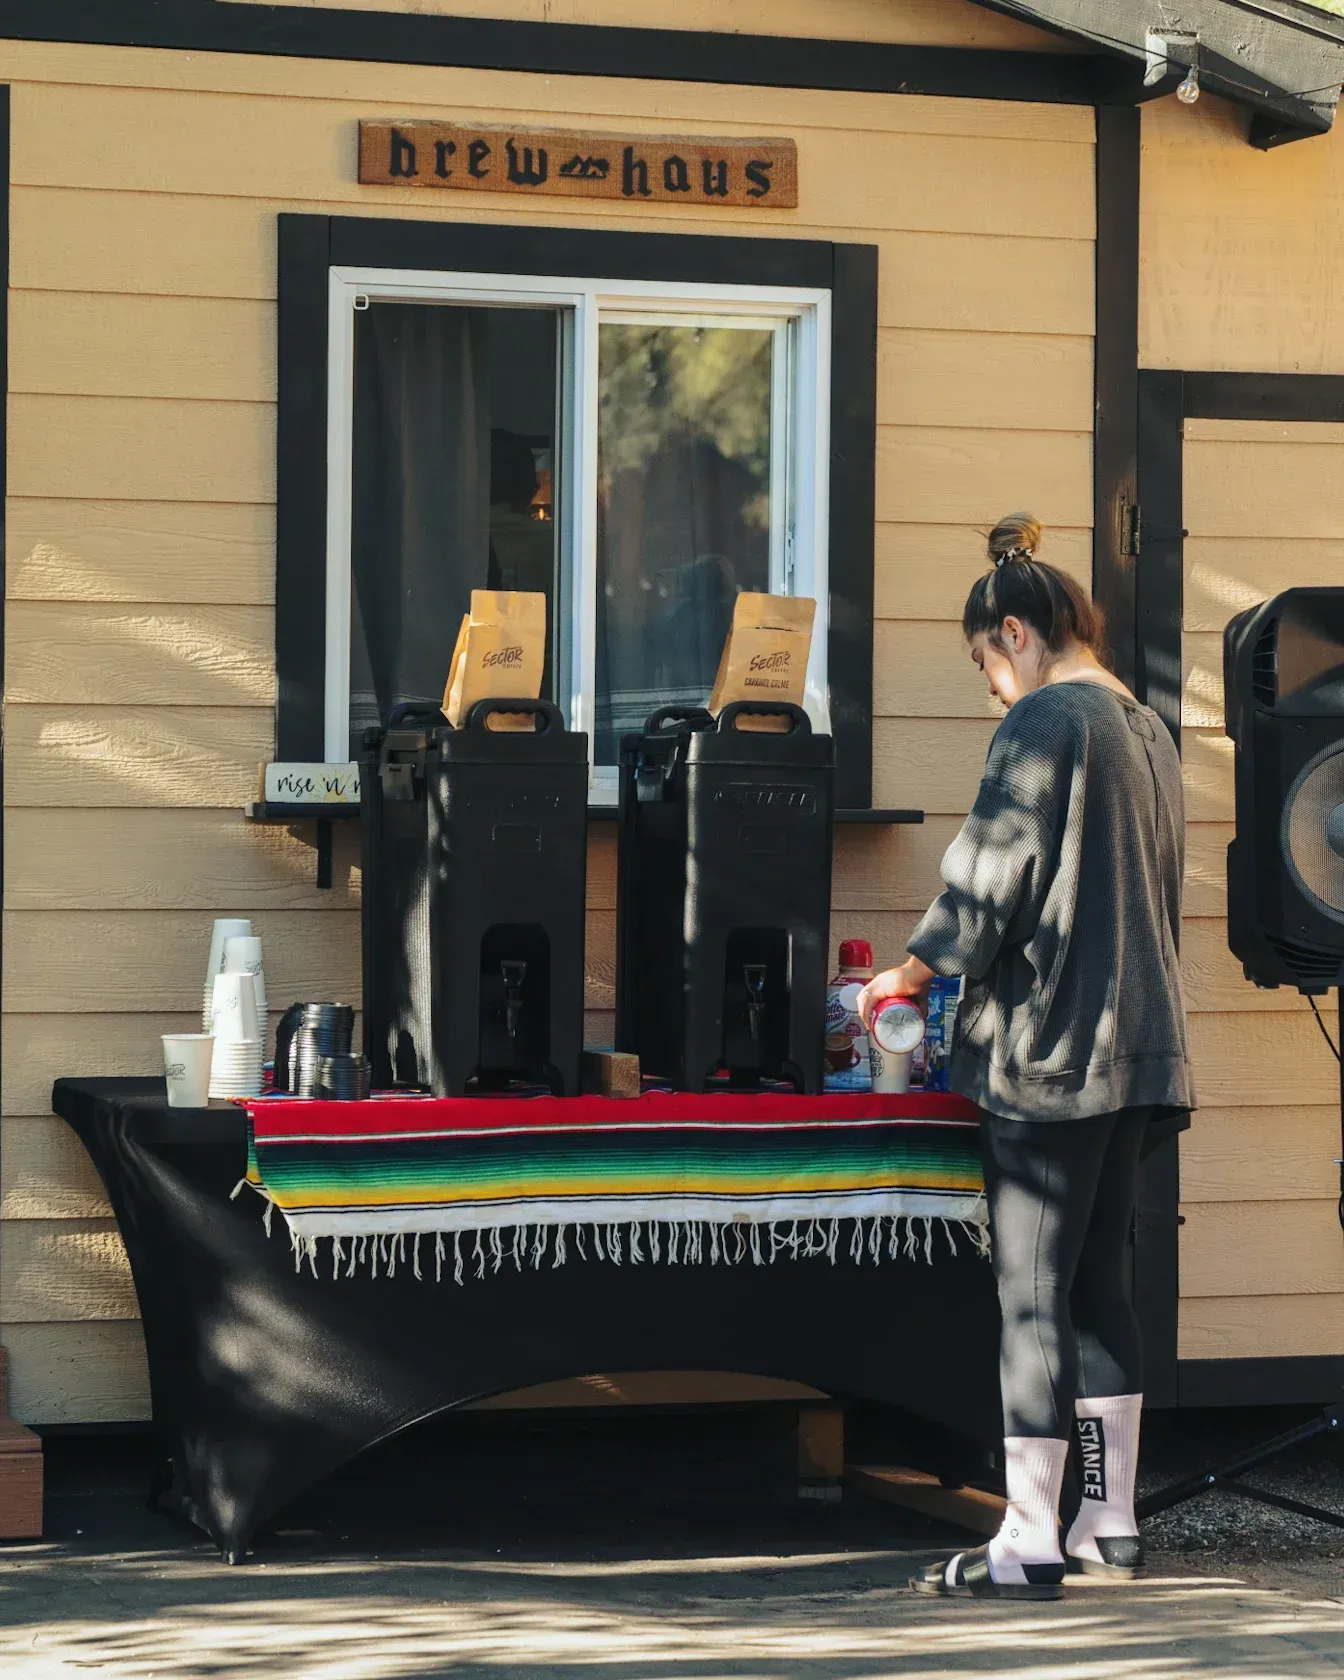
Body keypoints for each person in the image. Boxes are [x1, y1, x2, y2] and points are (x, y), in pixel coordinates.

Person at [858, 513, 1195, 1601]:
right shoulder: (1147, 728)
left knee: (1033, 1296)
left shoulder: (1046, 720)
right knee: (1103, 1292)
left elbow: (990, 879)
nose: (989, 691)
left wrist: (906, 976)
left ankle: (1028, 1538)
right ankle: (1111, 1520)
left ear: (1017, 633)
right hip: (1143, 1052)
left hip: (1053, 1054)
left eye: (982, 667)